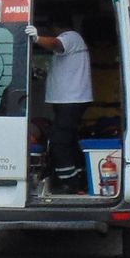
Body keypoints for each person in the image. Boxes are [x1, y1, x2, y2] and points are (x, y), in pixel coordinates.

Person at [32, 16, 92, 194]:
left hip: (71, 100)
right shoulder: (75, 42)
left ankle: (69, 183)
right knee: (70, 140)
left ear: (56, 27)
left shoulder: (71, 37)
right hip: (69, 100)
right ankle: (79, 177)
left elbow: (57, 44)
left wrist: (36, 38)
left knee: (59, 141)